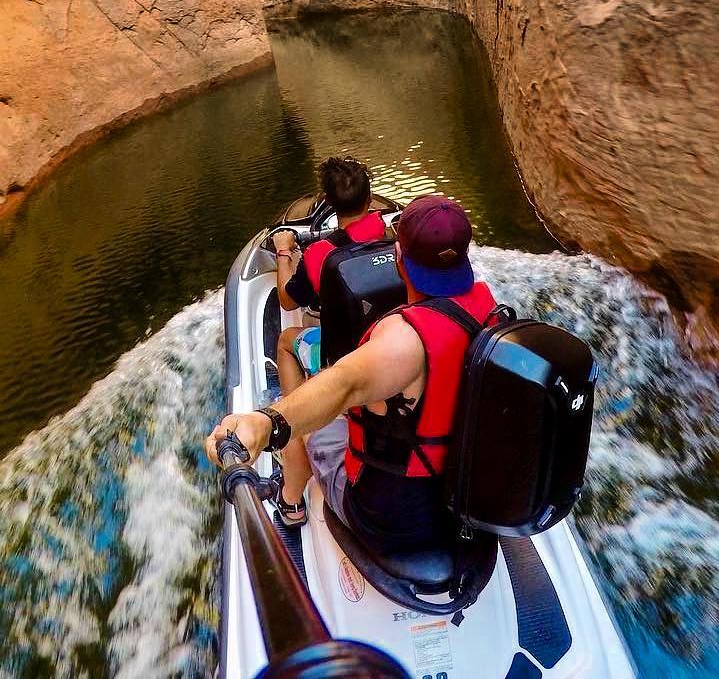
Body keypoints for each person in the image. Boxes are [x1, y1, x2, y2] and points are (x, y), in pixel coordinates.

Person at [207, 194, 502, 552]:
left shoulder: (404, 341)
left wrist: (265, 423)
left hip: (390, 521)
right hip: (462, 504)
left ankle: (291, 498)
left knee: (315, 409)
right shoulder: (491, 312)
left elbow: (342, 385)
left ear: (398, 257)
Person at [268, 156, 386, 525]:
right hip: (384, 347)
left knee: (287, 341)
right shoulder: (391, 237)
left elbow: (289, 299)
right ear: (369, 199)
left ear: (330, 204)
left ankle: (293, 437)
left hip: (342, 359)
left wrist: (285, 252)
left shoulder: (320, 254)